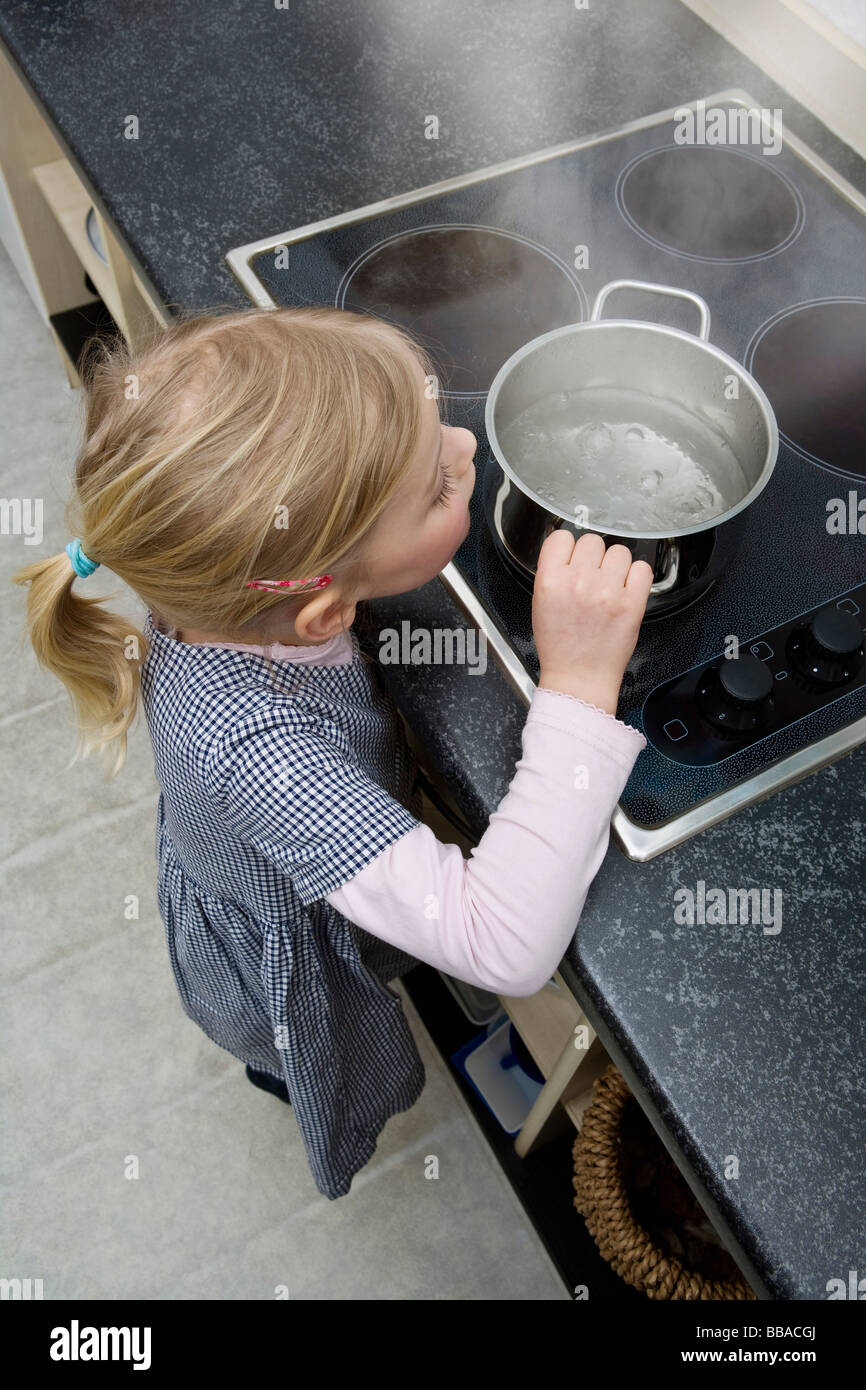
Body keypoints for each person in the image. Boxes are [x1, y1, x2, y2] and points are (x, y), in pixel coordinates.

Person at [12, 304, 654, 1201]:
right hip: (269, 961)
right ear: (323, 611)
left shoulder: (227, 591)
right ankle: (279, 1071)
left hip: (261, 865)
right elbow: (503, 945)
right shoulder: (251, 747)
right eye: (436, 488)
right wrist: (581, 683)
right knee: (296, 1052)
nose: (468, 449)